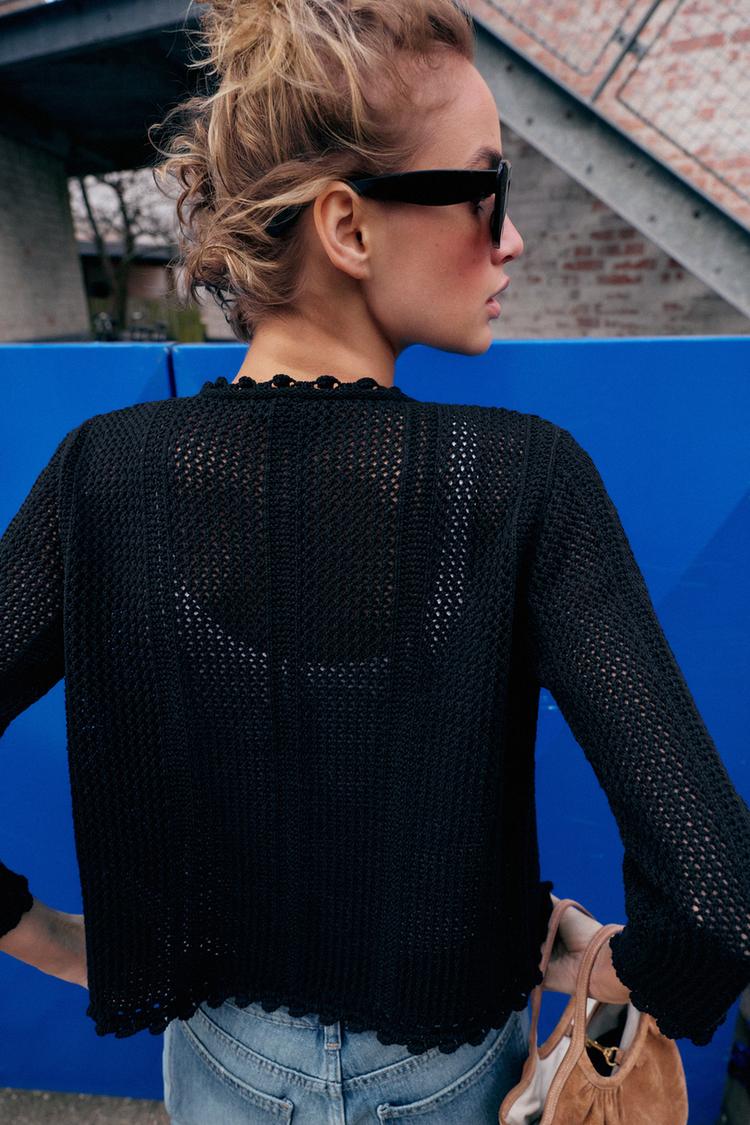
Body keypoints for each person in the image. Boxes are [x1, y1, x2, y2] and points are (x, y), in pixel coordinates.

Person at [1, 1, 748, 1121]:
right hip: (447, 1070)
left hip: (219, 1062)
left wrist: (57, 941)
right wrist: (603, 968)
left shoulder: (102, 473)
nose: (511, 238)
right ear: (349, 226)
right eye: (484, 189)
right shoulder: (524, 480)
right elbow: (716, 901)